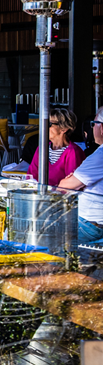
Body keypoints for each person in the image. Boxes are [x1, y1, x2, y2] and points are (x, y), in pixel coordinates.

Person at [58, 107, 103, 259]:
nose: (92, 128)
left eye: (94, 123)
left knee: (46, 235)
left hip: (90, 224)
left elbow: (64, 186)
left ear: (102, 127)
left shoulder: (100, 155)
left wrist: (74, 181)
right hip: (95, 222)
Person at [29, 107, 85, 185]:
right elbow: (31, 177)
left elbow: (71, 186)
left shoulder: (73, 152)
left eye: (49, 124)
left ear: (64, 129)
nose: (44, 127)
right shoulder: (41, 149)